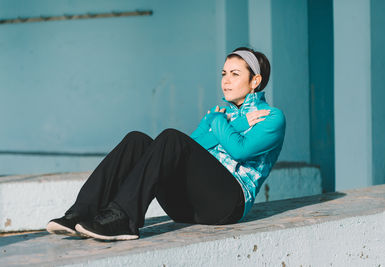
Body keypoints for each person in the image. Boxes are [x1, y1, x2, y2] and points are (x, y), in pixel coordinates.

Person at [46, 47, 286, 241]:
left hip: (227, 205)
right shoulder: (220, 113)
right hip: (188, 206)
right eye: (224, 73)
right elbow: (188, 148)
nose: (226, 81)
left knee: (171, 137)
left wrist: (218, 121)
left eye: (235, 74)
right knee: (136, 140)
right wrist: (234, 122)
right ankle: (81, 212)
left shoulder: (272, 117)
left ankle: (123, 220)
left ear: (255, 81)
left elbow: (240, 150)